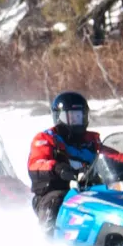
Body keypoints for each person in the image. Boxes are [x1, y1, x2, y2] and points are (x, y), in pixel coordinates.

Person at [27, 91, 103, 230]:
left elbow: (113, 156)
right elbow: (36, 163)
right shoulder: (46, 138)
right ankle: (49, 241)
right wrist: (58, 168)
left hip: (92, 189)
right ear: (59, 117)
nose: (76, 121)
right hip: (56, 190)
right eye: (72, 117)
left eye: (79, 116)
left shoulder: (92, 141)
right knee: (56, 202)